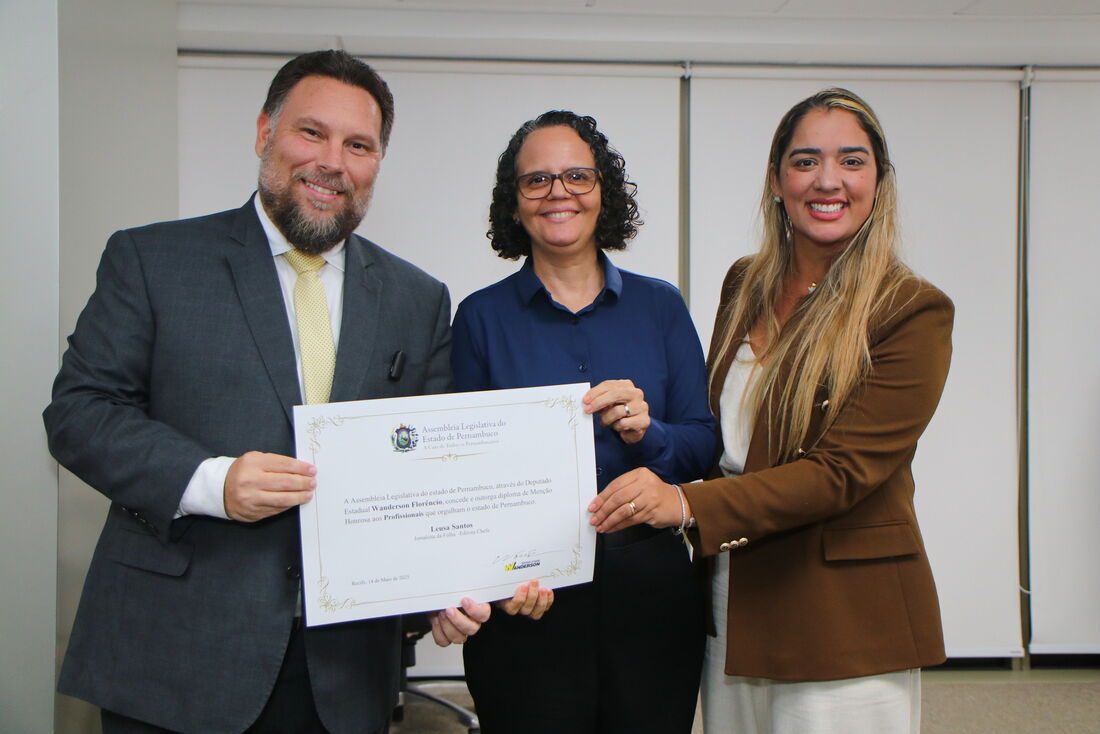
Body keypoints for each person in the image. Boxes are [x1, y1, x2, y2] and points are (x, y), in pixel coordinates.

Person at [43, 50, 490, 734]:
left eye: (359, 145)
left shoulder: (417, 298)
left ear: (376, 163)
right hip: (174, 657)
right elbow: (80, 412)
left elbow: (423, 470)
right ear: (264, 134)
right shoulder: (153, 259)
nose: (332, 161)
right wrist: (212, 483)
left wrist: (438, 590)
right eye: (312, 132)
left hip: (344, 675)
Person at [589, 88, 953, 734]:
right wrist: (651, 431)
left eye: (852, 161)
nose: (828, 180)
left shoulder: (910, 309)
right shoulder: (745, 284)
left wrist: (687, 505)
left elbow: (841, 472)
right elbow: (724, 436)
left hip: (842, 616)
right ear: (777, 179)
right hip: (734, 597)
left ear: (879, 181)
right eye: (806, 160)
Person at [450, 110, 716, 734]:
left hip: (649, 585)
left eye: (576, 175)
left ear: (604, 191)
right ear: (513, 204)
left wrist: (648, 433)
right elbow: (460, 471)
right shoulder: (480, 319)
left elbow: (703, 446)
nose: (558, 193)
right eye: (536, 181)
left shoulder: (661, 306)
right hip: (526, 593)